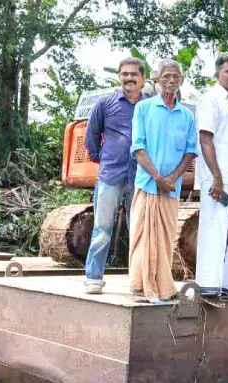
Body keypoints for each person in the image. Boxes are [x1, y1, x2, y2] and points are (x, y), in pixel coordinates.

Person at [129, 60, 197, 302]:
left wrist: (172, 179)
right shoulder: (144, 108)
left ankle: (164, 288)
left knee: (166, 239)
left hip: (171, 188)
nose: (171, 81)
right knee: (143, 237)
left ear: (182, 80)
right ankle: (139, 286)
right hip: (147, 185)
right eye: (166, 76)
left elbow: (190, 151)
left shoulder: (187, 115)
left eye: (175, 76)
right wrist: (157, 177)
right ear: (157, 80)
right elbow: (138, 147)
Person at [83, 57, 146, 294]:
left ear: (143, 78)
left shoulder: (149, 106)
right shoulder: (105, 103)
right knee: (102, 227)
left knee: (138, 229)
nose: (129, 78)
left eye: (134, 74)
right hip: (111, 174)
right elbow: (92, 133)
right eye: (125, 74)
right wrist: (100, 157)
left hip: (140, 176)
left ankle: (139, 280)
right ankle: (93, 277)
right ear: (119, 76)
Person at [194, 53, 228, 299]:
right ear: (217, 73)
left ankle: (226, 286)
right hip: (217, 178)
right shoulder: (210, 99)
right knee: (214, 231)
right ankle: (207, 286)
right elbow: (205, 139)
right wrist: (216, 177)